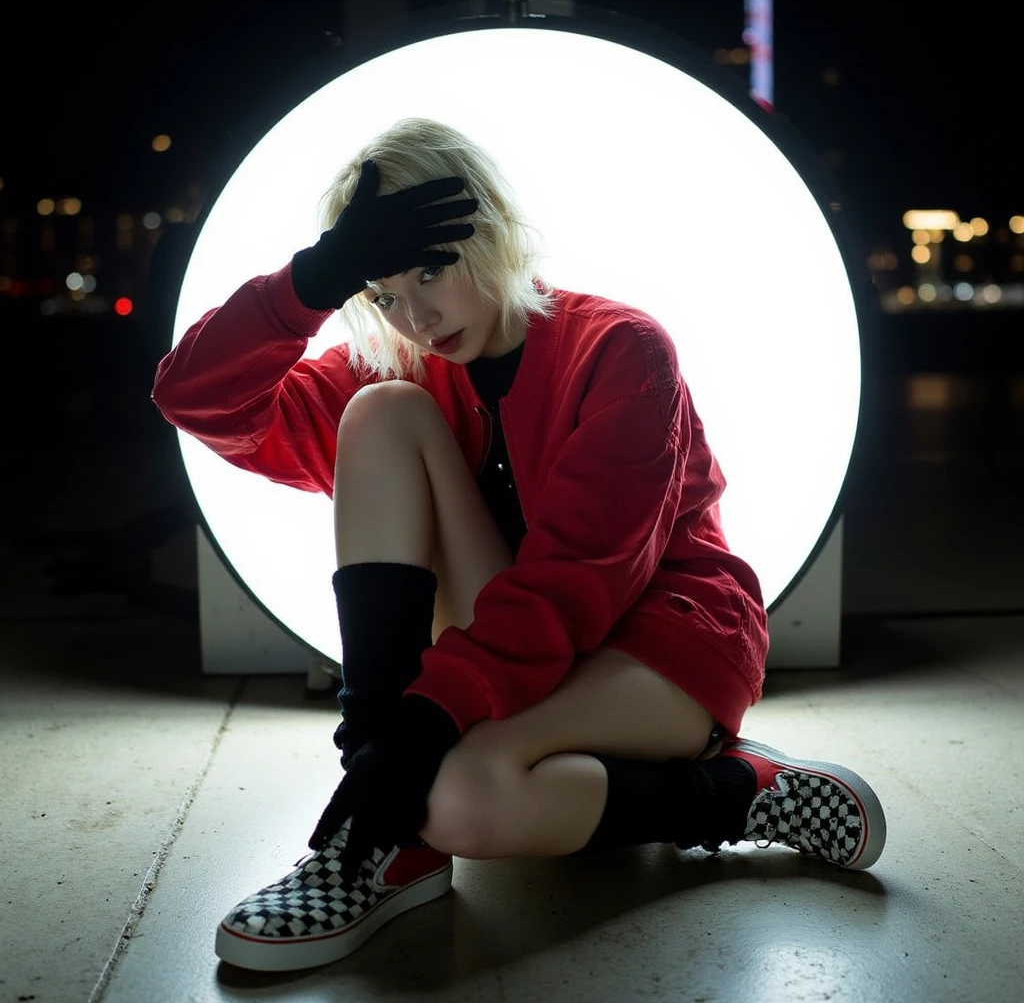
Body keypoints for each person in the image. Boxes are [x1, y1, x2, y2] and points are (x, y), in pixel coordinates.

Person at [151, 117, 886, 974]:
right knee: (380, 415)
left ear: (492, 230)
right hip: (513, 652)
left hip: (660, 641)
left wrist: (430, 720)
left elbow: (576, 581)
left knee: (454, 789)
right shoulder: (394, 366)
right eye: (384, 292)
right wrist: (315, 279)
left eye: (432, 272)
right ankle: (387, 837)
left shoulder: (619, 348)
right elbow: (196, 398)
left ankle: (742, 796)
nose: (415, 315)